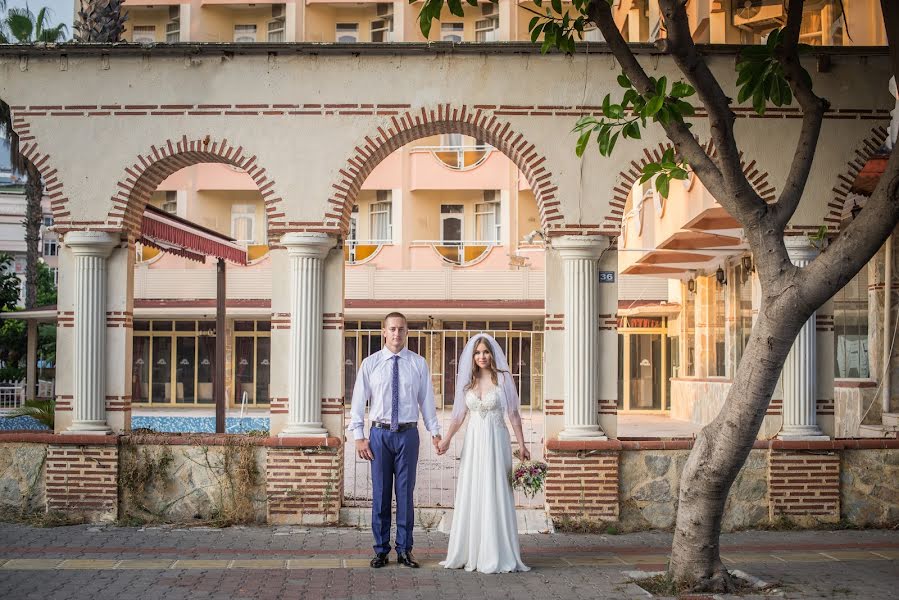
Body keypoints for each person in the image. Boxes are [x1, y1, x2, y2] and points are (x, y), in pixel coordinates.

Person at [347, 312, 442, 569]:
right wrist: (359, 437)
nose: (397, 333)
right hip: (379, 436)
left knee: (405, 495)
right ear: (384, 332)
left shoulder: (418, 364)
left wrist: (435, 431)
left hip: (408, 435)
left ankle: (404, 550)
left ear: (407, 332)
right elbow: (358, 402)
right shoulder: (371, 364)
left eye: (401, 329)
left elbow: (427, 401)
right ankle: (380, 551)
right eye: (392, 328)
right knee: (380, 495)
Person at [436, 333, 531, 574]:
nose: (481, 356)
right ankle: (469, 551)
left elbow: (514, 415)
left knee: (495, 491)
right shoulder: (468, 381)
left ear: (493, 354)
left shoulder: (503, 379)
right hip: (474, 443)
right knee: (473, 490)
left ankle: (497, 552)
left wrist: (522, 444)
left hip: (497, 442)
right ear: (472, 356)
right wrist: (446, 440)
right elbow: (458, 416)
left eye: (485, 352)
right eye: (477, 352)